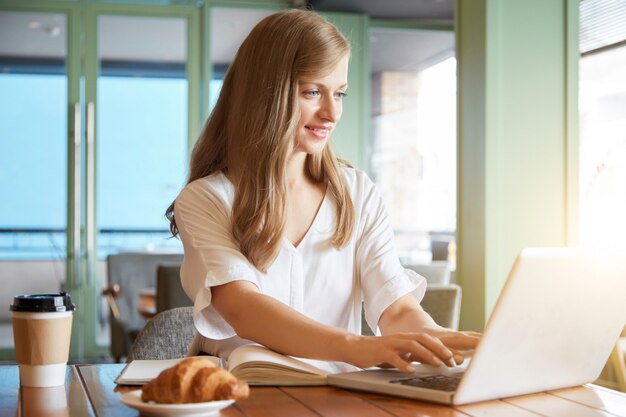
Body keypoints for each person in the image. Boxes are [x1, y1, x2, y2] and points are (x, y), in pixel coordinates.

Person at [166, 9, 480, 374]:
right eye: (313, 92)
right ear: (264, 94)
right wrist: (359, 347)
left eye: (340, 93)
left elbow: (395, 307)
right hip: (245, 395)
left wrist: (436, 339)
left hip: (338, 401)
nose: (332, 112)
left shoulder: (357, 192)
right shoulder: (207, 199)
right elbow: (241, 306)